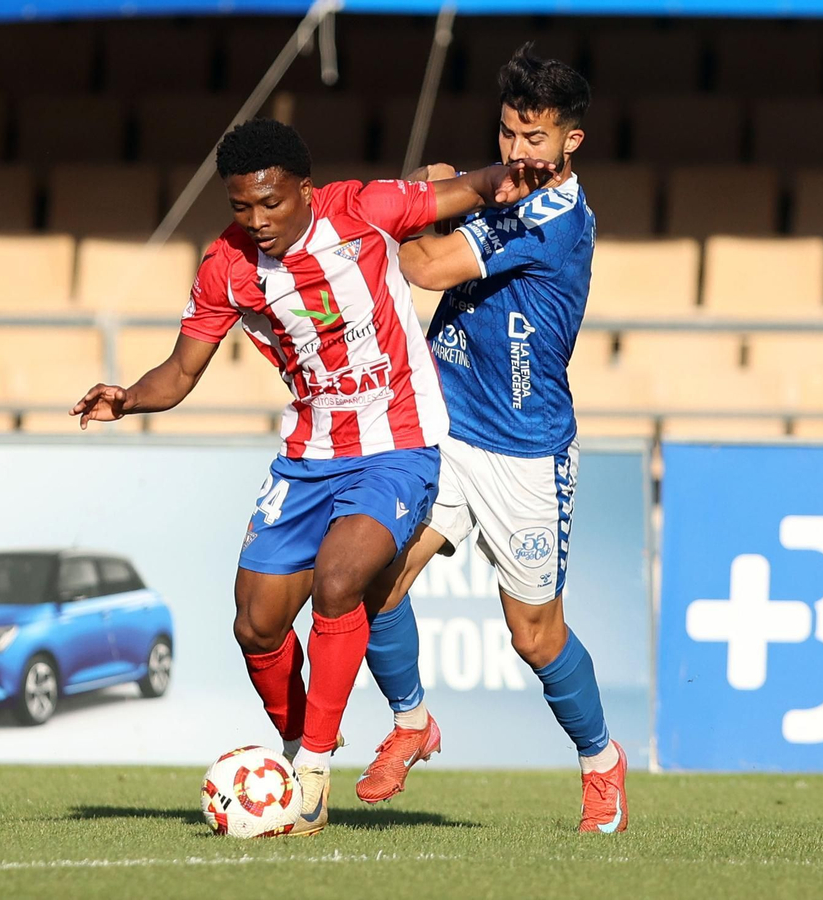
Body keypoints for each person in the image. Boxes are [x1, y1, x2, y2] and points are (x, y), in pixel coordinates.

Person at [70, 118, 554, 836]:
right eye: (241, 207)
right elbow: (180, 371)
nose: (257, 221)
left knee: (339, 578)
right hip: (307, 457)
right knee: (256, 622)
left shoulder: (362, 211)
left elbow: (462, 190)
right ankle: (297, 746)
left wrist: (505, 177)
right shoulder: (225, 268)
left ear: (304, 188)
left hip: (399, 444)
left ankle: (312, 776)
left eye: (271, 203)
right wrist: (127, 397)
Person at [353, 44, 627, 833]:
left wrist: (404, 213)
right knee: (373, 578)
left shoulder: (556, 217)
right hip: (445, 426)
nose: (516, 151)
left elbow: (428, 267)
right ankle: (411, 724)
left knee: (532, 635)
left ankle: (602, 762)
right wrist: (444, 190)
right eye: (507, 133)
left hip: (524, 450)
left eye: (534, 138)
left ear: (572, 141)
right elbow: (451, 189)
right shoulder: (501, 182)